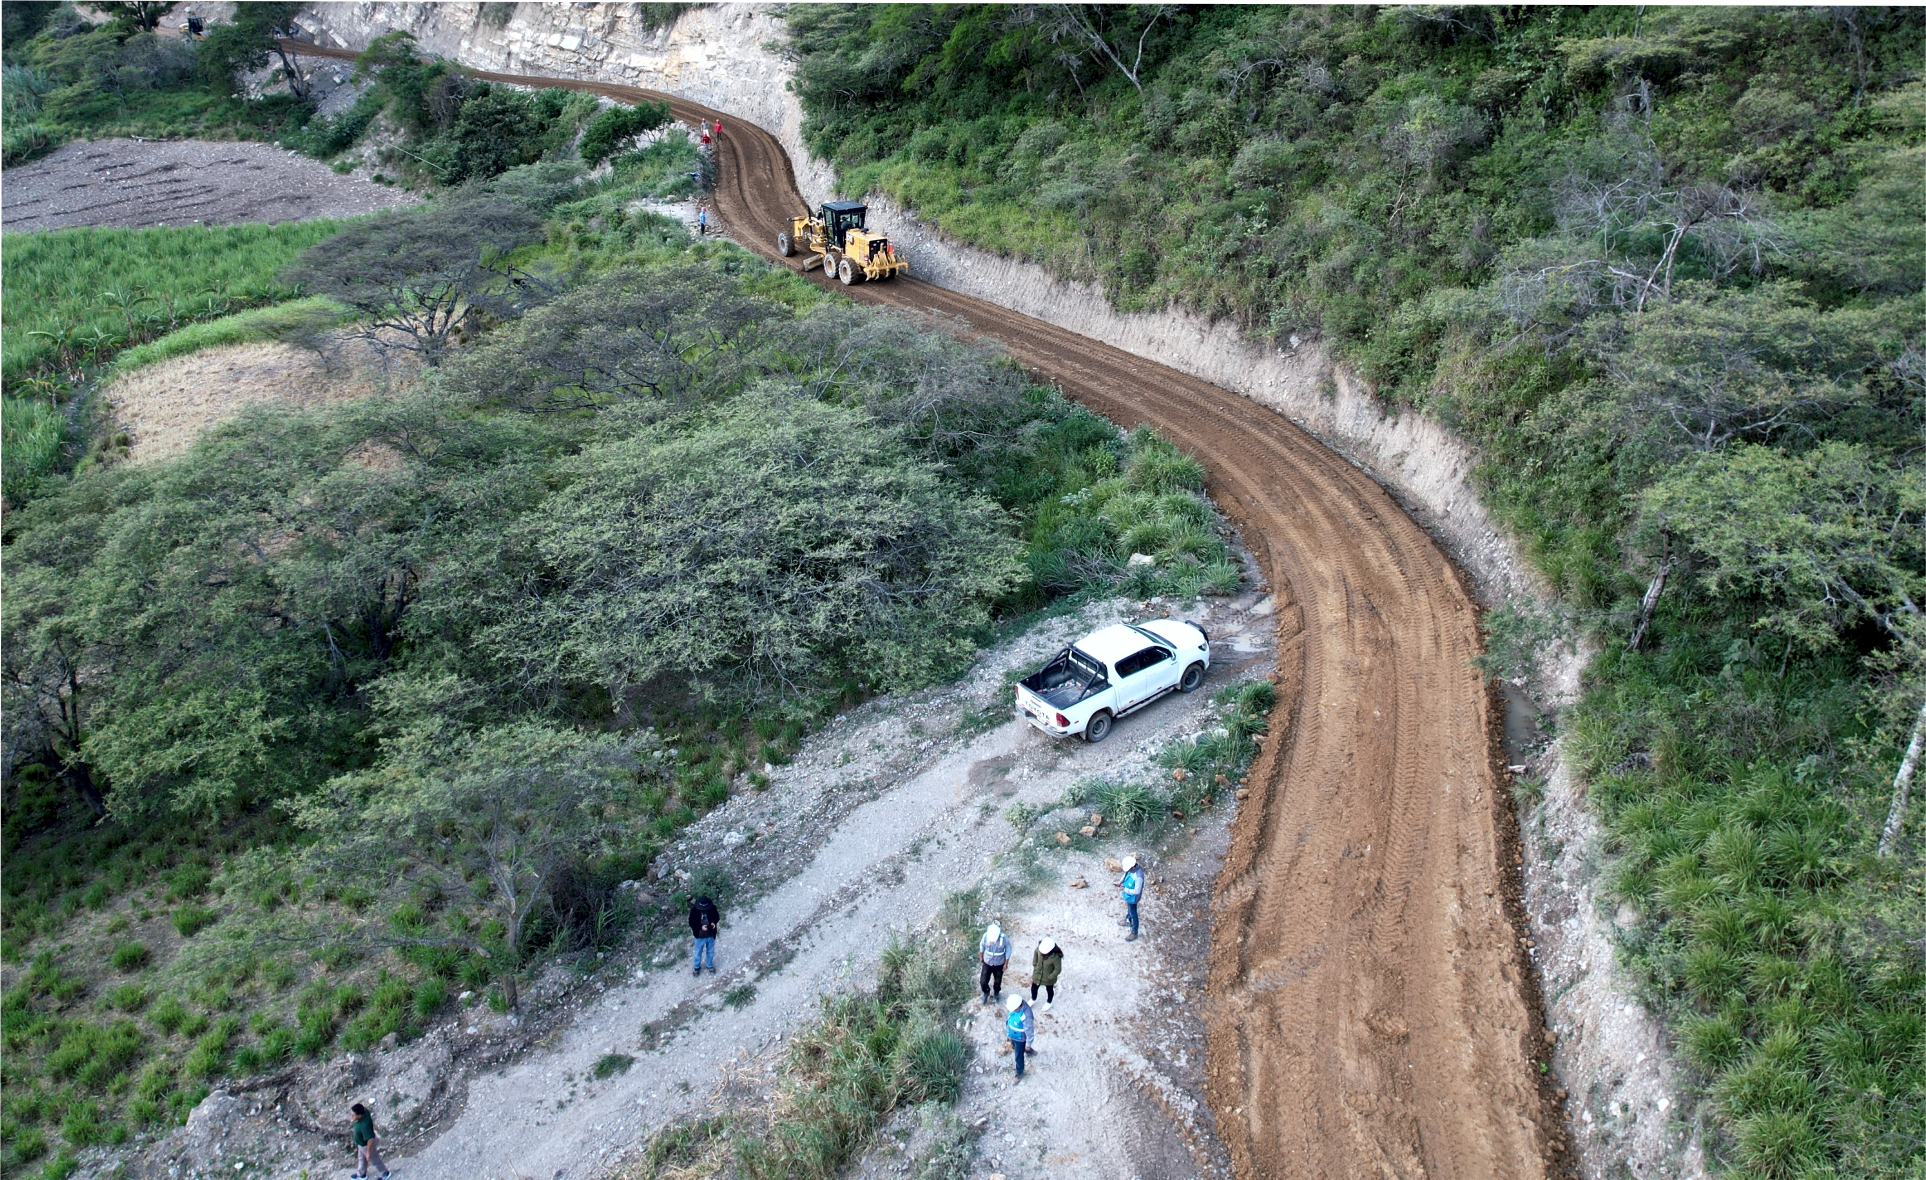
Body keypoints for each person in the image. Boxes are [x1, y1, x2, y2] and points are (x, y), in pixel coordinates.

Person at [349, 1102, 390, 1180]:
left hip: (366, 1145)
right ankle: (361, 1174)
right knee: (361, 1158)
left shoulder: (364, 1126)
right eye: (351, 1114)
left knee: (374, 1159)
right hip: (361, 1144)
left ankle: (385, 1173)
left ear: (360, 1115)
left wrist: (368, 1152)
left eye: (353, 1115)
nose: (351, 1116)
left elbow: (370, 1139)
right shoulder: (364, 1112)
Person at [1005, 993, 1035, 1082]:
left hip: (1020, 1039)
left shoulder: (1026, 1015)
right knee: (1019, 1049)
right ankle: (1029, 1051)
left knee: (1018, 1056)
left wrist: (1028, 1043)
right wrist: (1008, 1034)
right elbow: (1009, 1020)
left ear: (1018, 1006)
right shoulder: (1014, 1008)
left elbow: (1029, 1031)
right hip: (1012, 1035)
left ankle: (1019, 1072)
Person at [978, 922, 1010, 1003]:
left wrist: (1006, 963)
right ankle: (986, 992)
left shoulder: (1004, 938)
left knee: (997, 981)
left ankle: (996, 992)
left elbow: (1008, 950)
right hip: (987, 962)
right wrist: (981, 957)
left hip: (999, 964)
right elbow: (982, 946)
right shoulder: (986, 936)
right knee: (983, 981)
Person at [689, 893, 719, 975]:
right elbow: (691, 922)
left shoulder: (713, 908)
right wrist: (700, 927)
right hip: (699, 936)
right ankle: (696, 967)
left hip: (710, 934)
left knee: (710, 951)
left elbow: (717, 917)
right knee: (698, 952)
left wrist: (713, 923)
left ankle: (709, 965)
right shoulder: (694, 911)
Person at [1030, 937, 1063, 1009]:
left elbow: (1058, 969)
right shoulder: (1040, 948)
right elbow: (1036, 952)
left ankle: (1049, 1002)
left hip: (1048, 978)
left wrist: (1050, 977)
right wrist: (1035, 964)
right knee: (1034, 988)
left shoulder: (1056, 957)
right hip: (1038, 974)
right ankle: (1033, 998)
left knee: (1049, 990)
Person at [1118, 856, 1144, 941]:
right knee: (1129, 909)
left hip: (1133, 898)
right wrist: (1120, 881)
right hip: (1128, 895)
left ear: (1132, 867)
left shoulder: (1138, 876)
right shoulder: (1131, 870)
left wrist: (1125, 889)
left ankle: (1134, 932)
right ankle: (1128, 920)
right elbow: (1126, 874)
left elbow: (1137, 891)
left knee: (1133, 913)